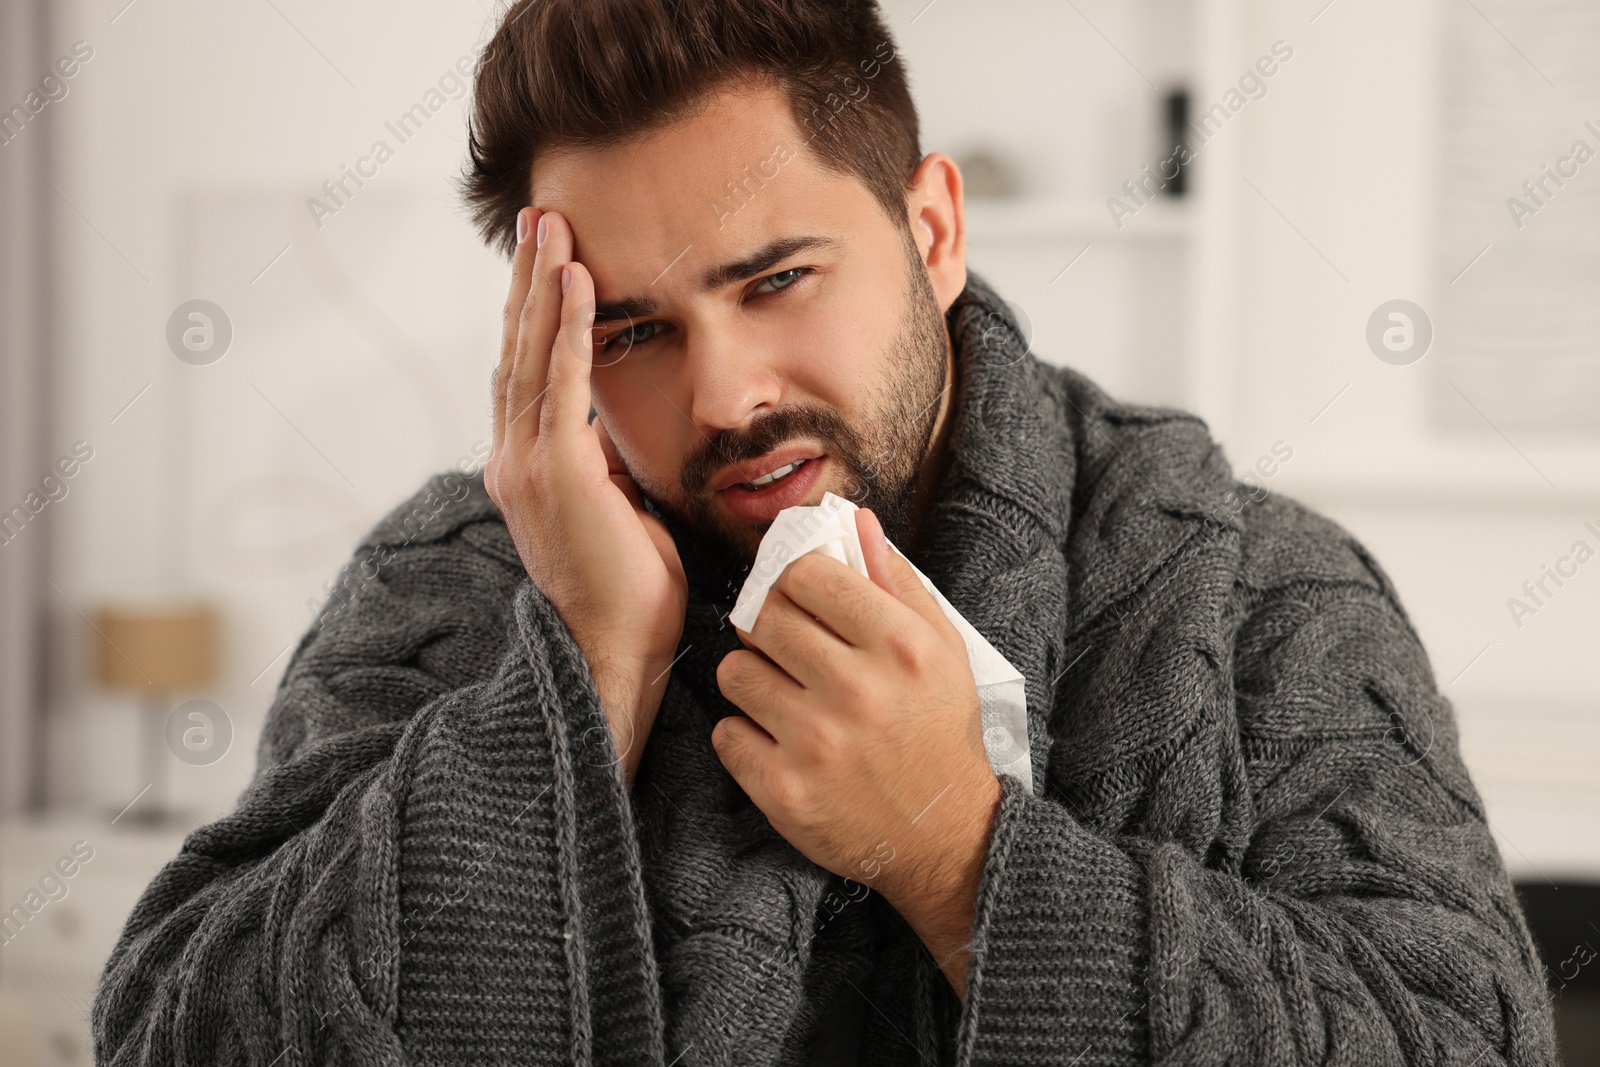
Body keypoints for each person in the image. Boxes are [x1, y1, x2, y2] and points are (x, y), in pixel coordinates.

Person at [91, 1, 1560, 1064]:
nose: (722, 393)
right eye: (636, 329)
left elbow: (1460, 1036)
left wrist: (960, 855)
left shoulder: (1264, 590)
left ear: (930, 231)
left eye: (779, 278)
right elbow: (173, 1033)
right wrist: (583, 678)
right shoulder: (452, 580)